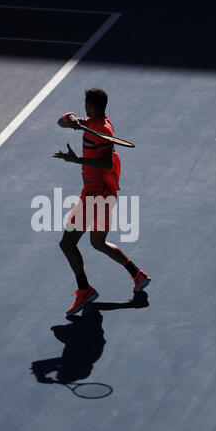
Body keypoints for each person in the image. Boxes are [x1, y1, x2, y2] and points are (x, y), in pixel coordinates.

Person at [53, 88, 150, 316]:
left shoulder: (103, 130)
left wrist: (77, 160)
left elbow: (106, 164)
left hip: (96, 194)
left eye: (85, 104)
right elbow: (61, 121)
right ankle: (137, 274)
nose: (83, 106)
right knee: (98, 242)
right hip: (103, 193)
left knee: (67, 243)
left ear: (91, 105)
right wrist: (73, 120)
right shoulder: (91, 122)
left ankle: (84, 290)